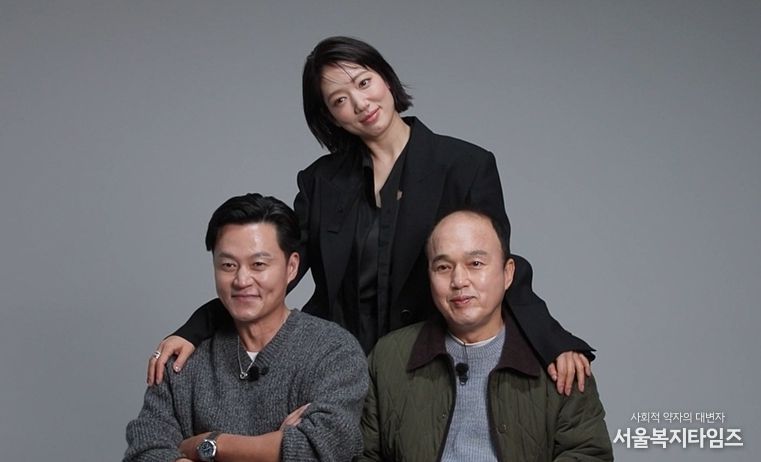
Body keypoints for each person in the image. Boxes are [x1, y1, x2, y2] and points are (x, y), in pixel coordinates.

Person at [148, 36, 593, 395]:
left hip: (429, 364)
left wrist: (554, 343)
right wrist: (195, 329)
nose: (360, 103)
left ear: (386, 78)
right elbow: (277, 269)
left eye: (364, 82)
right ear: (330, 117)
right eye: (339, 100)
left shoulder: (464, 166)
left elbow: (497, 266)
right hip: (333, 365)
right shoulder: (320, 181)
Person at [124, 193, 368, 462]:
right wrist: (275, 447)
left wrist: (207, 444)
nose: (241, 280)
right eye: (228, 265)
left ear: (291, 267)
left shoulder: (333, 351)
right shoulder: (182, 359)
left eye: (258, 265)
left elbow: (324, 448)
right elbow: (144, 450)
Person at [359, 209, 613, 461]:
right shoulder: (389, 357)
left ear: (508, 273)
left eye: (475, 264)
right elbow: (363, 454)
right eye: (443, 267)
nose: (459, 280)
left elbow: (588, 454)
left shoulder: (559, 364)